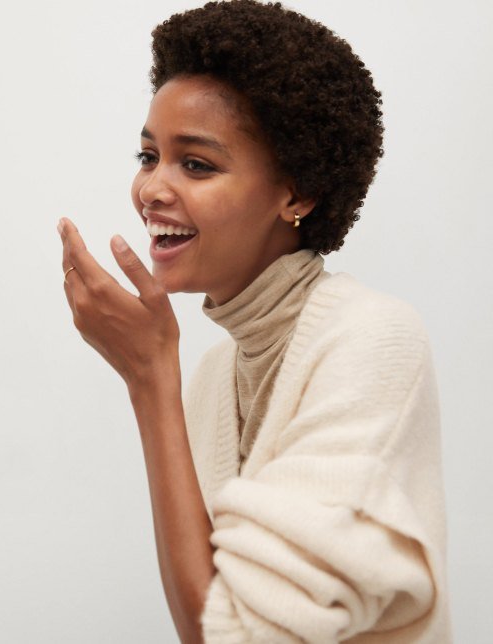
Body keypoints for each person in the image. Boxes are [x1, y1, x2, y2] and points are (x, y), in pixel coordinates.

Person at [58, 0, 452, 641]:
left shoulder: (372, 341)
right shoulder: (217, 376)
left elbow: (232, 635)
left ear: (297, 193)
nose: (151, 189)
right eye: (148, 155)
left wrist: (150, 380)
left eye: (196, 163)